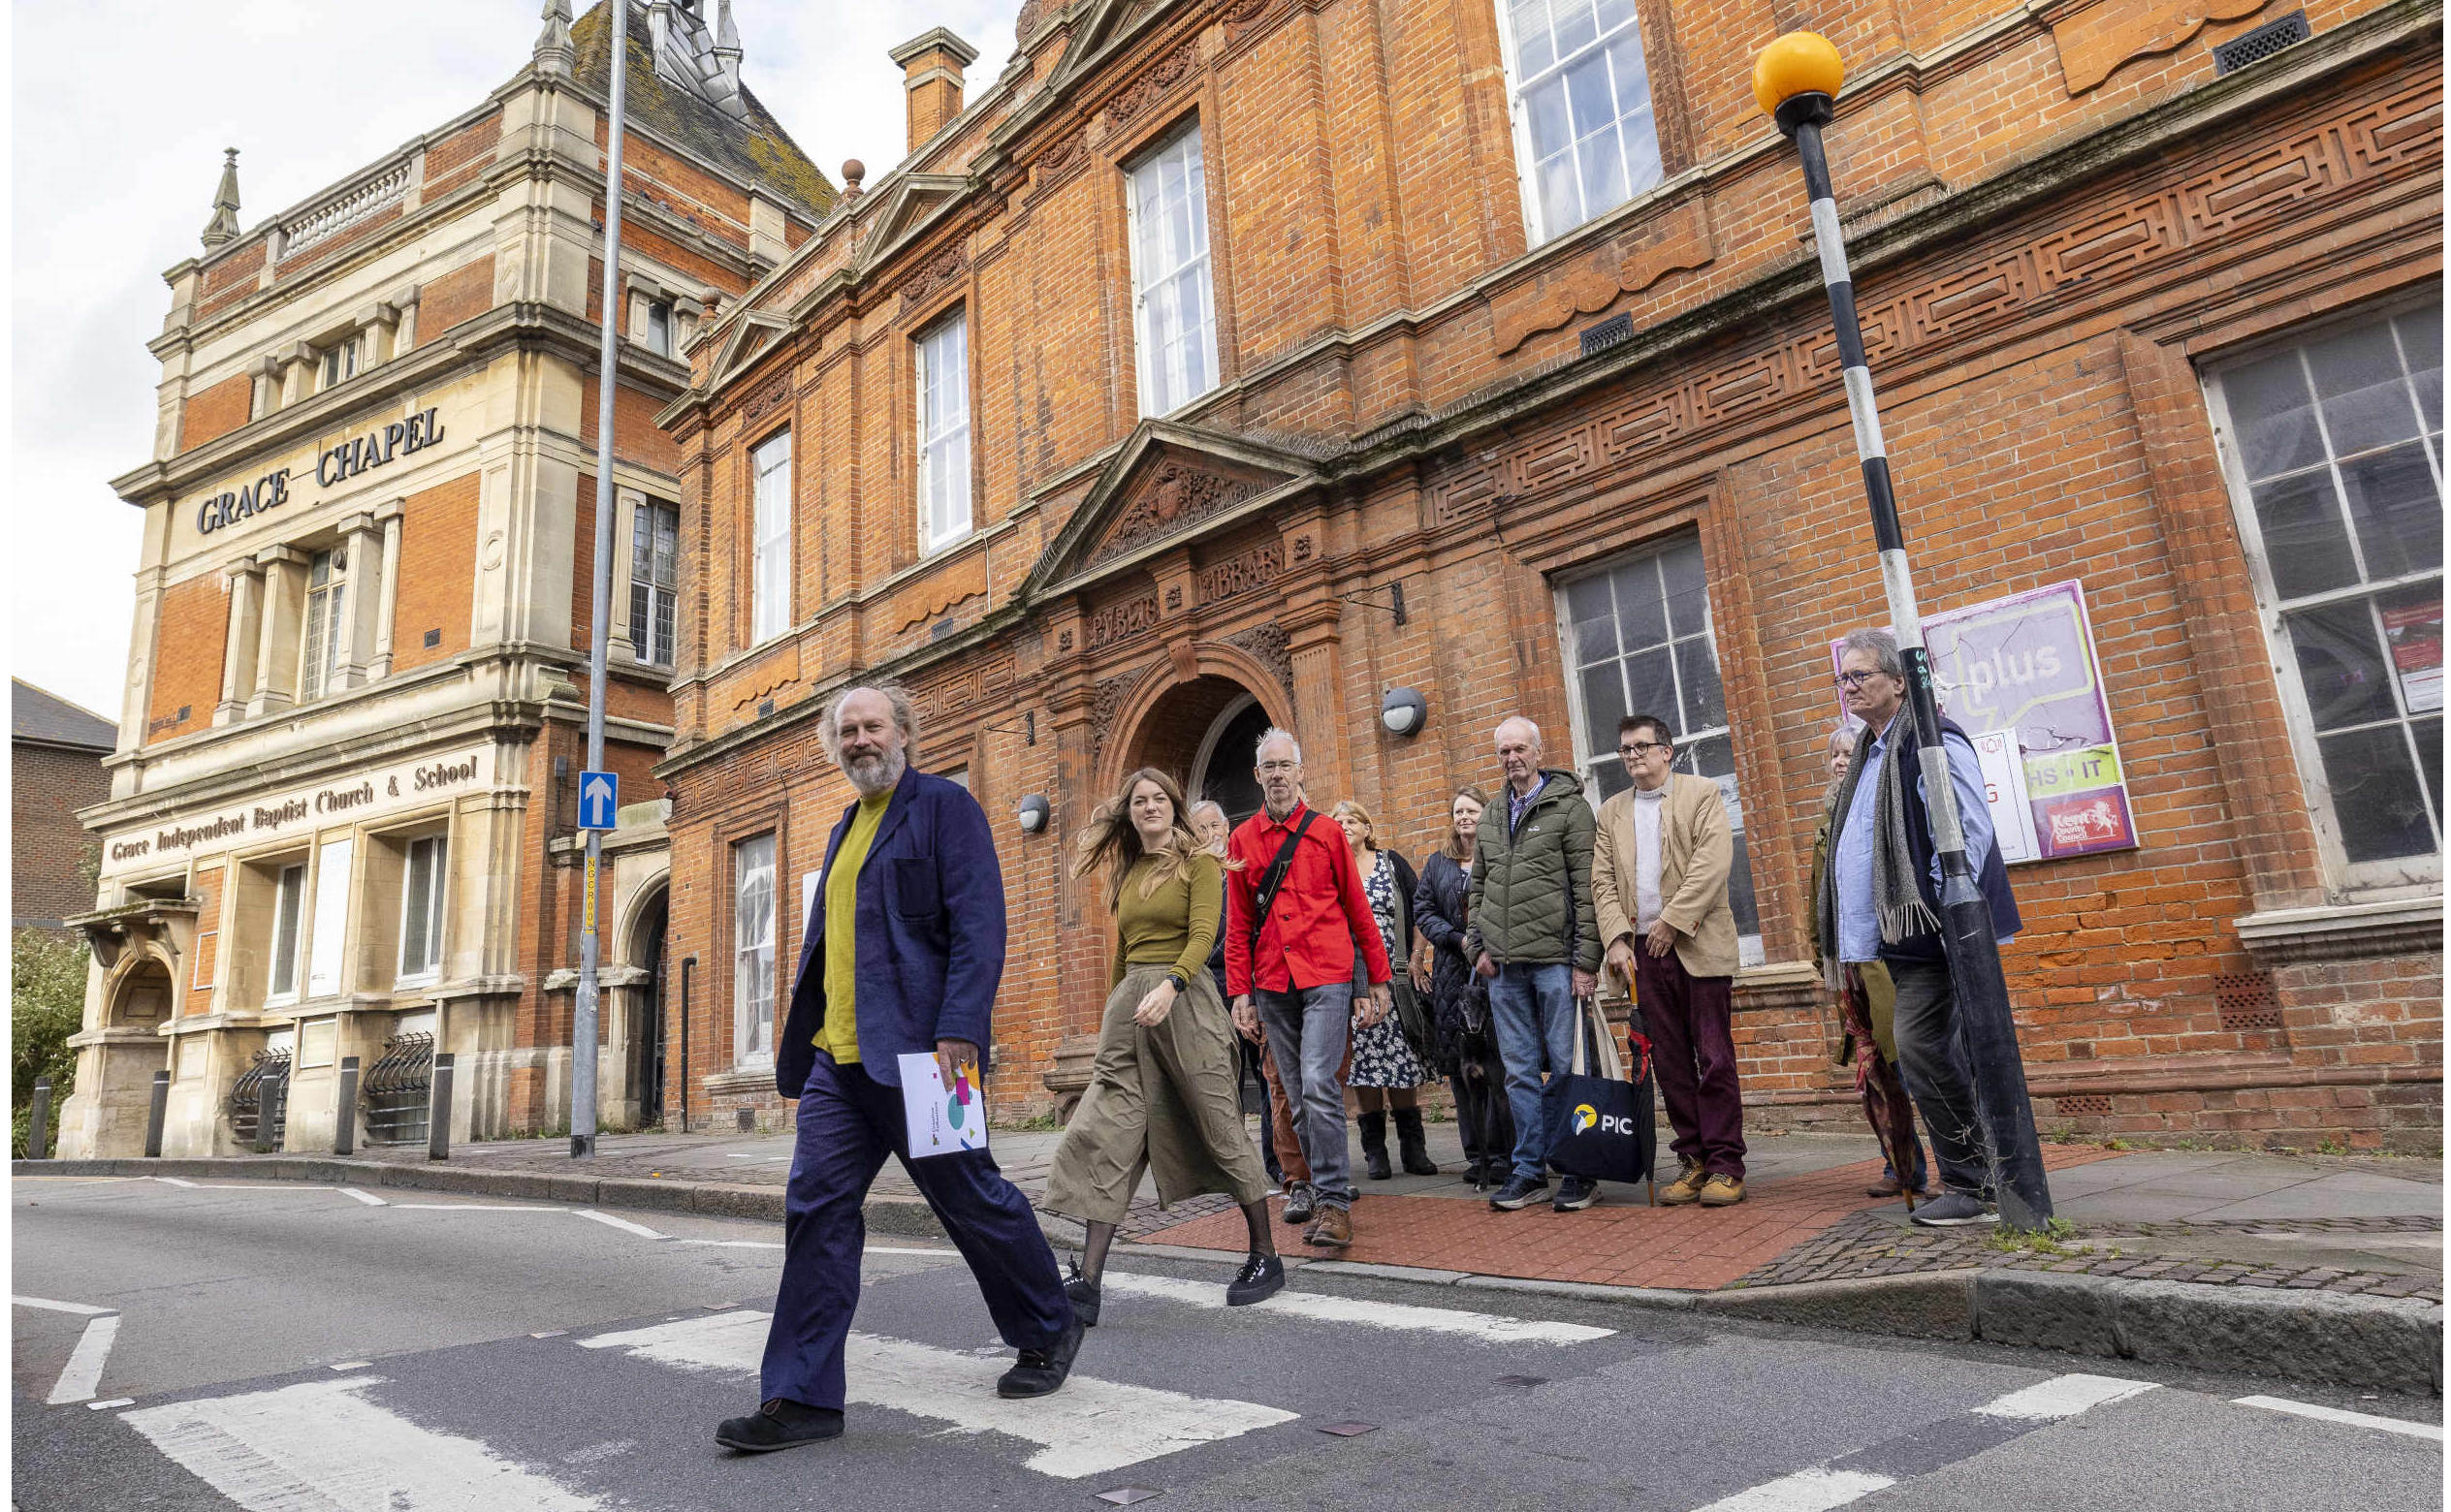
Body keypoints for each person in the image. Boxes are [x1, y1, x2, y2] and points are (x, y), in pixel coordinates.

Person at [719, 686, 1080, 1455]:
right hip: (837, 1065)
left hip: (925, 1056)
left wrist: (960, 1030)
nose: (858, 740)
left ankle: (1051, 1323)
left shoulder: (946, 809)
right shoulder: (843, 828)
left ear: (905, 733)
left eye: (871, 726)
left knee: (971, 1197)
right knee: (815, 1211)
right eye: (845, 732)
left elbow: (980, 925)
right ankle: (803, 1396)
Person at [1042, 770, 1285, 1325]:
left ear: (1173, 807)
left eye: (1158, 800)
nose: (1149, 807)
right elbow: (1125, 953)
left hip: (1187, 1001)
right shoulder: (1128, 871)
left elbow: (1204, 937)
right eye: (1139, 801)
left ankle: (1265, 1257)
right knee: (1110, 1130)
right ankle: (1088, 1281)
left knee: (1218, 1124)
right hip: (1133, 1009)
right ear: (1129, 813)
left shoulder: (1199, 862)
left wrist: (1171, 986)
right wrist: (1115, 1012)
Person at [1811, 629, 2022, 1227]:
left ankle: (1974, 1180)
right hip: (1900, 937)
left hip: (1938, 932)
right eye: (1843, 678)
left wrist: (1947, 915)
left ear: (1899, 681)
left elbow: (1965, 833)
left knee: (1927, 1047)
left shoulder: (1931, 738)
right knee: (1935, 1050)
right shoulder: (1868, 753)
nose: (1848, 687)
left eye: (1861, 676)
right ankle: (1983, 1175)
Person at [1226, 729, 1394, 1250]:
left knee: (1320, 1081)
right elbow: (1237, 924)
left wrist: (1379, 979)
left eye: (1285, 765)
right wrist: (1241, 993)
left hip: (1327, 974)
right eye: (1268, 767)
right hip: (1273, 979)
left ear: (1301, 772)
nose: (1277, 774)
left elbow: (1356, 910)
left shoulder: (1326, 833)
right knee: (1296, 1094)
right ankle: (1320, 1189)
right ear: (1258, 776)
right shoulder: (1242, 841)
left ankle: (1335, 1204)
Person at [1590, 713, 1745, 1208]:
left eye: (1641, 746)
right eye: (1625, 749)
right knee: (1671, 1062)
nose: (1632, 755)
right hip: (1641, 953)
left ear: (1666, 751)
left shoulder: (1700, 794)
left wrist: (1673, 920)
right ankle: (1694, 1160)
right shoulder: (1612, 811)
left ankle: (1725, 1164)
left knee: (1714, 1057)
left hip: (1696, 945)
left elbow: (1713, 860)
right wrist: (1616, 939)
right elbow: (1601, 882)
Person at [1464, 716, 1601, 1214]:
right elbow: (1476, 890)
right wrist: (1476, 948)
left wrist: (1586, 960)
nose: (1511, 758)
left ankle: (1577, 1168)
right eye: (1503, 751)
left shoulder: (1570, 808)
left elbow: (1588, 888)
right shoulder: (1493, 815)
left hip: (1556, 964)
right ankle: (1529, 1170)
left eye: (1520, 748)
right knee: (1519, 1073)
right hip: (1503, 968)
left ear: (1540, 750)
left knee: (1566, 1067)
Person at [1814, 721, 1931, 1201]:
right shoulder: (1829, 823)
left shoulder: (1879, 810)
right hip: (1850, 966)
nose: (1842, 762)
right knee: (1876, 1075)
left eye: (1849, 754)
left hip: (1888, 961)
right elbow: (1819, 900)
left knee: (1913, 1066)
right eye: (1835, 756)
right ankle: (1902, 1167)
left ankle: (1957, 1164)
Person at [1330, 800, 1440, 1180]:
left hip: (1394, 977)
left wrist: (1416, 957)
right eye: (1337, 822)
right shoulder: (1330, 869)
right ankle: (1375, 1153)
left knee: (1402, 1061)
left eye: (1351, 820)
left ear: (1367, 827)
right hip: (1352, 980)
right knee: (1363, 1065)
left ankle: (1414, 1150)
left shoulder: (1391, 863)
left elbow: (1420, 906)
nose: (1344, 826)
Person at [1414, 786, 1513, 1187]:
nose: (1464, 817)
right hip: (1454, 973)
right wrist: (1456, 940)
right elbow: (1423, 909)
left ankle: (1506, 1151)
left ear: (1485, 813)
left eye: (1472, 810)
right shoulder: (1439, 863)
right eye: (1458, 811)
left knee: (1499, 1064)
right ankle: (1477, 1155)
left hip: (1496, 968)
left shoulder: (1500, 851)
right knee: (1462, 1067)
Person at [1192, 800, 1285, 1189]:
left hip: (1252, 980)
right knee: (1222, 1081)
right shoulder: (1193, 876)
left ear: (1227, 827)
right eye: (1201, 829)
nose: (1210, 834)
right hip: (1210, 984)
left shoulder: (1244, 868)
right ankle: (1231, 1168)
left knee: (1268, 1076)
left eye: (1215, 825)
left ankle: (1276, 1161)